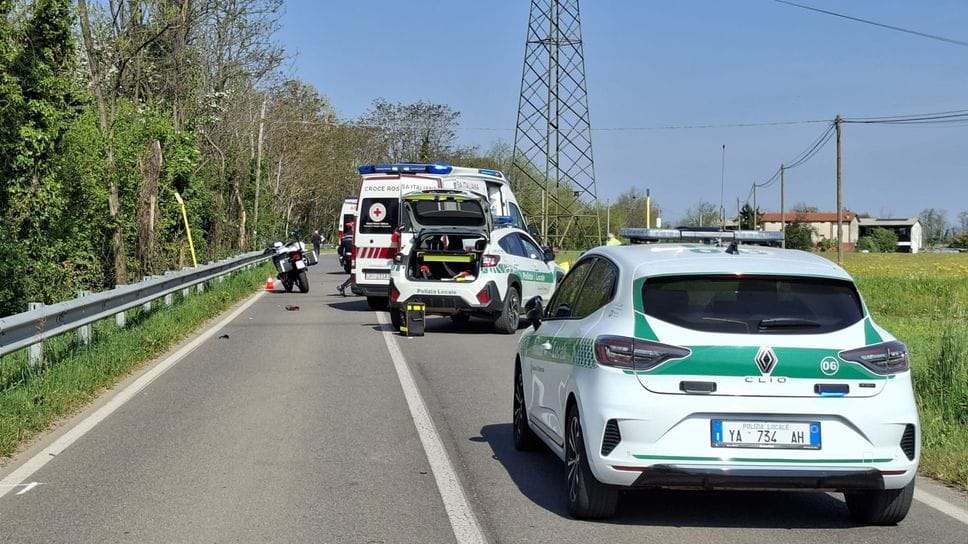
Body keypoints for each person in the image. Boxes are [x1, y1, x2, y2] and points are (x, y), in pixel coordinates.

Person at [337, 220, 355, 296]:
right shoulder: (356, 236)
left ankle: (343, 286)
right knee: (355, 276)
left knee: (354, 276)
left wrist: (341, 258)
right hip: (354, 258)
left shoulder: (344, 236)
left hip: (347, 258)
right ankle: (342, 286)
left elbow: (340, 249)